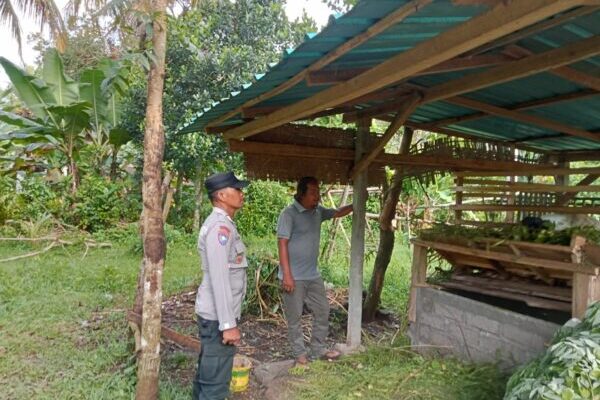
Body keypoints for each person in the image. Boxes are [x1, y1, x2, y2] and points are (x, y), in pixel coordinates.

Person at [277, 176, 353, 366]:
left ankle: (318, 349)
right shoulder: (288, 214)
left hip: (312, 275)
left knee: (323, 310)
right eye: (313, 193)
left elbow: (337, 212)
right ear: (301, 194)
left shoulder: (318, 212)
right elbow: (282, 243)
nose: (317, 197)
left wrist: (357, 203)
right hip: (293, 277)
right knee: (294, 318)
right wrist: (287, 275)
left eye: (318, 192)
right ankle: (299, 353)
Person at [193, 171, 249, 400]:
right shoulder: (220, 229)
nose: (241, 194)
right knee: (215, 385)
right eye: (237, 189)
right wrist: (228, 324)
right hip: (217, 319)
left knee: (207, 377)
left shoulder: (223, 224)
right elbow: (219, 277)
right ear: (222, 195)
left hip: (215, 315)